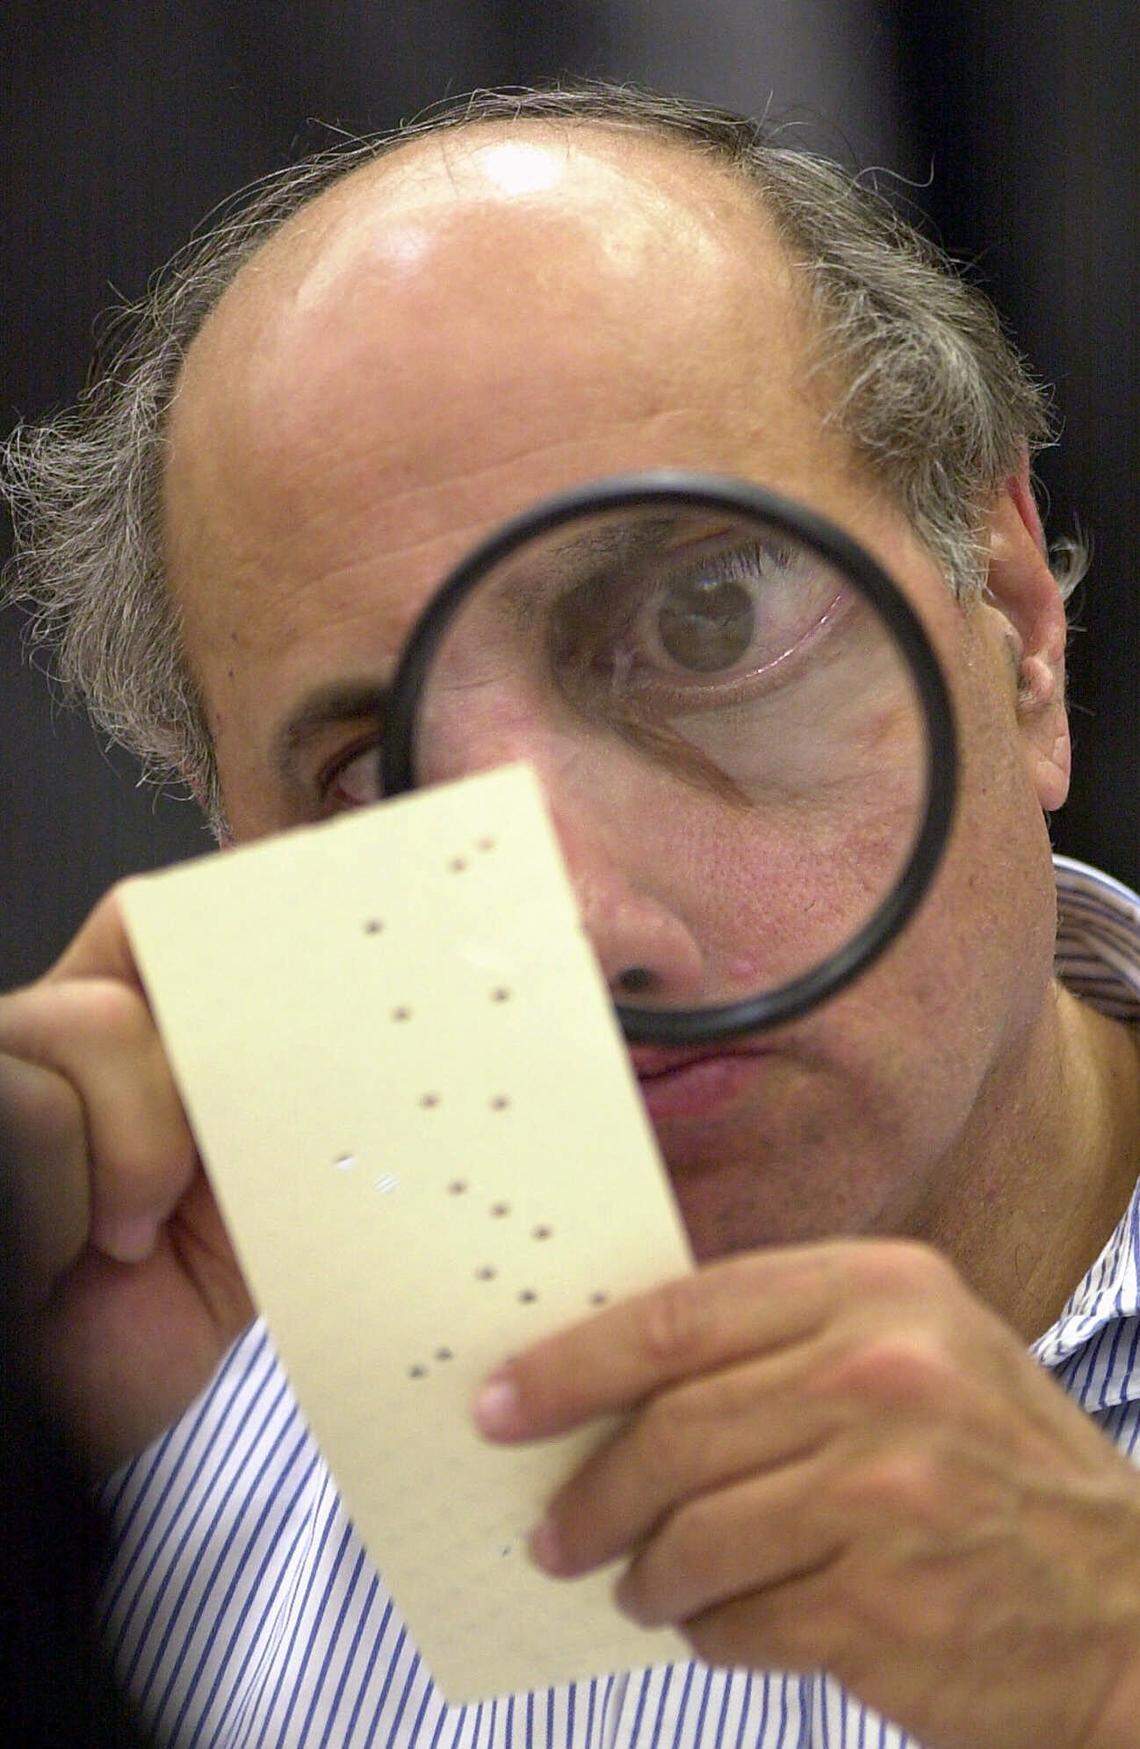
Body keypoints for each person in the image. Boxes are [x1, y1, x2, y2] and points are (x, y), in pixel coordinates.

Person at [2, 82, 1139, 1749]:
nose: (577, 926)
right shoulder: (138, 1414)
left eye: (699, 621)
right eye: (378, 784)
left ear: (1016, 621)